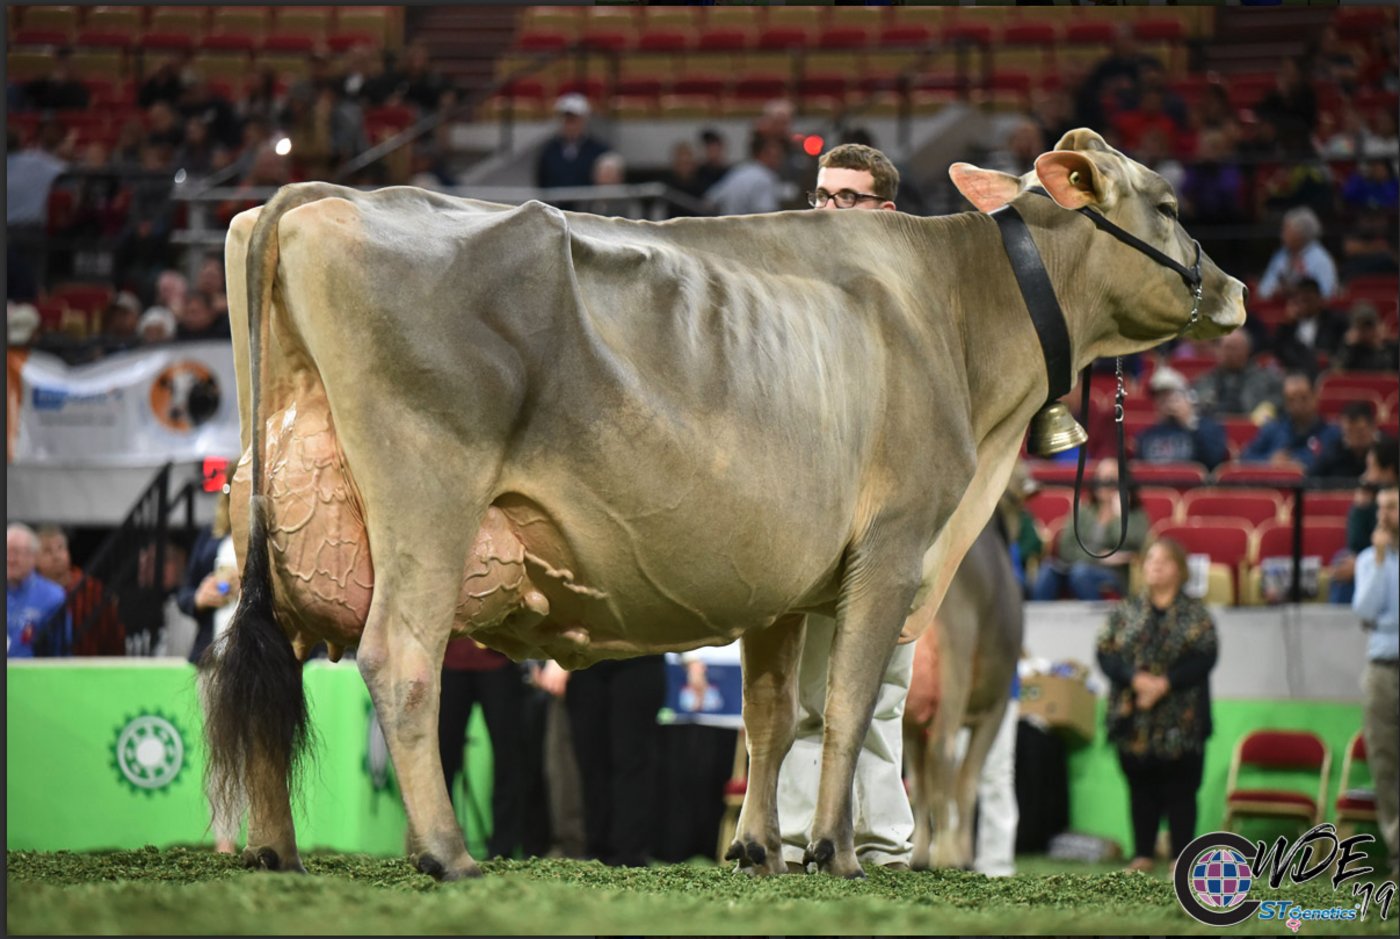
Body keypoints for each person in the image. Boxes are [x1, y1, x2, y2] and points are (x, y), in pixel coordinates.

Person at [777, 143, 912, 873]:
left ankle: (885, 847)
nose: (827, 208)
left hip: (891, 526)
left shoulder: (915, 305)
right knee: (808, 694)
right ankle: (802, 841)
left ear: (884, 212)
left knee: (882, 698)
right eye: (821, 195)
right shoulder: (790, 293)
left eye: (846, 197)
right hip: (811, 524)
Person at [1096, 537, 1218, 875]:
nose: (1155, 566)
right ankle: (1143, 855)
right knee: (1140, 786)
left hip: (1183, 717)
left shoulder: (1195, 614)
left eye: (1163, 561)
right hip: (1133, 717)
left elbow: (1205, 656)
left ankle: (1181, 857)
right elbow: (1105, 652)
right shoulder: (1127, 611)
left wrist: (1164, 684)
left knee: (1181, 789)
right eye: (1150, 560)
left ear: (1179, 570)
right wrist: (1136, 680)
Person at [532, 652, 666, 867]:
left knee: (632, 759)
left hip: (641, 653)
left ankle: (630, 854)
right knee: (589, 761)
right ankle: (596, 851)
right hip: (585, 661)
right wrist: (556, 657)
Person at [437, 637, 526, 860]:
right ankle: (441, 844)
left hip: (501, 659)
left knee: (509, 758)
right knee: (440, 760)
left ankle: (503, 849)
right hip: (449, 661)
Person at [1353, 484, 1399, 876]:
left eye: (1393, 507)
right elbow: (1366, 612)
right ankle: (1398, 851)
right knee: (1384, 761)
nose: (1383, 514)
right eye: (1381, 507)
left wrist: (1387, 620)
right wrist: (1382, 563)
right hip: (1382, 668)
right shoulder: (1370, 559)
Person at [1032, 459, 1150, 602]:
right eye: (1100, 477)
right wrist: (1099, 558)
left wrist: (1120, 515)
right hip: (1075, 566)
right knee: (1048, 570)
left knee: (1080, 574)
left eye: (1110, 478)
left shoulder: (1135, 515)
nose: (1104, 483)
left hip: (1115, 574)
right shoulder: (1084, 511)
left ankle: (1099, 623)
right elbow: (1065, 547)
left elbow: (1133, 544)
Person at [1329, 435, 1399, 604]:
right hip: (1376, 557)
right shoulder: (1370, 500)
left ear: (1388, 472)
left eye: (1371, 469)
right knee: (1343, 560)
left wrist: (1360, 565)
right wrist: (1361, 508)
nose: (1365, 476)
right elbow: (1355, 545)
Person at [35, 525, 125, 656]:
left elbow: (113, 632)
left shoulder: (91, 588)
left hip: (89, 664)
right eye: (47, 551)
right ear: (35, 559)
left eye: (60, 548)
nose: (56, 556)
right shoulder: (30, 593)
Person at [1240, 371, 1341, 472]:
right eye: (1291, 400)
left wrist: (1299, 462)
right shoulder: (1272, 429)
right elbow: (1245, 457)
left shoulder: (1333, 433)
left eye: (1303, 398)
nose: (1298, 405)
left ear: (1315, 398)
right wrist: (1269, 461)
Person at [1135, 367, 1229, 471]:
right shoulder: (1148, 435)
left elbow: (1213, 462)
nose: (1166, 402)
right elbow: (1141, 470)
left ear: (1187, 397)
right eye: (1160, 397)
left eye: (1170, 396)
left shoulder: (1208, 427)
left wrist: (1188, 422)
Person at [1190, 330, 1282, 424]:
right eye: (1228, 348)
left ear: (1247, 350)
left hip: (1254, 428)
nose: (1231, 353)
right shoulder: (1204, 381)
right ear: (1218, 350)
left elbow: (1277, 402)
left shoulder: (1268, 380)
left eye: (1236, 348)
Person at [535, 94, 609, 209]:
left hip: (586, 212)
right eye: (565, 120)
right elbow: (542, 180)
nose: (569, 125)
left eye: (573, 120)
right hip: (555, 210)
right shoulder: (548, 150)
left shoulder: (599, 150)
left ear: (584, 120)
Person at [6, 523, 69, 658]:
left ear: (33, 556)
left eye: (16, 552)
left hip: (35, 675)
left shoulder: (54, 597)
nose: (10, 559)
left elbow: (62, 652)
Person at [1256, 207, 1339, 301]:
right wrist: (1277, 291)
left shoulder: (1322, 259)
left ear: (1300, 233)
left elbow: (1326, 294)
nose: (1281, 235)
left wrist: (1298, 292)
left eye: (1286, 230)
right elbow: (1263, 290)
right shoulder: (1280, 255)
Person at [1270, 278, 1348, 375]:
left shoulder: (1335, 322)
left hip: (1324, 372)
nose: (1304, 305)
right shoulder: (1288, 327)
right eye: (1300, 301)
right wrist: (1286, 324)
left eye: (1308, 300)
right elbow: (1277, 351)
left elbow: (1339, 351)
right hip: (1294, 373)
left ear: (1319, 299)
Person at [704, 132, 787, 217]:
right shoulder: (764, 178)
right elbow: (767, 215)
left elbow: (710, 200)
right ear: (763, 154)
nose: (780, 160)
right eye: (777, 156)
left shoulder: (739, 170)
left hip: (727, 225)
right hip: (749, 228)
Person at [1311, 401, 1379, 483]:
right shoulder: (1332, 452)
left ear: (1372, 427)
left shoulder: (1385, 450)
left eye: (1360, 431)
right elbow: (1310, 482)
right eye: (1349, 432)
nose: (1354, 437)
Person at [1334, 300, 1399, 373]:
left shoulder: (1390, 347)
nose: (1367, 330)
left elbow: (1391, 375)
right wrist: (1348, 347)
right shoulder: (1351, 348)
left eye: (1369, 324)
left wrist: (1380, 346)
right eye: (1362, 326)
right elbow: (1338, 373)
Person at [693, 128, 730, 195]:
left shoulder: (730, 174)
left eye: (714, 145)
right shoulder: (698, 174)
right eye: (708, 146)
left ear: (721, 147)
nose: (711, 149)